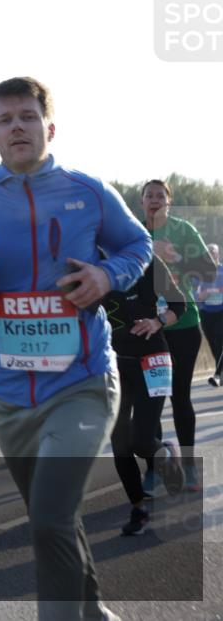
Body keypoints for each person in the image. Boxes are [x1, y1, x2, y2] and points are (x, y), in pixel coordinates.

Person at [0, 77, 150, 621]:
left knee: (47, 520)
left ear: (49, 127)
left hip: (82, 384)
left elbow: (138, 245)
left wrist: (105, 274)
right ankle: (93, 612)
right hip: (9, 398)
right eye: (5, 121)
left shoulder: (89, 190)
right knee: (57, 519)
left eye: (27, 117)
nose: (17, 127)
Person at [141, 179, 216, 491]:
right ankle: (155, 466)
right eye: (149, 195)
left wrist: (177, 259)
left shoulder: (183, 231)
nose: (155, 200)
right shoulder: (134, 233)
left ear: (169, 202)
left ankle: (188, 464)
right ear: (142, 202)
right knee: (150, 401)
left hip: (183, 326)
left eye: (161, 195)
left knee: (180, 398)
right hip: (147, 329)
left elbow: (209, 272)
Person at [104, 253, 187, 536]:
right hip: (115, 362)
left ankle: (166, 452)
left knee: (141, 441)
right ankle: (139, 510)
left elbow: (180, 304)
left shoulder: (147, 261)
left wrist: (158, 321)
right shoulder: (92, 264)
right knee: (119, 442)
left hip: (153, 357)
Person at [193, 243, 223, 387]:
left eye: (214, 252)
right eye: (208, 253)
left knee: (220, 340)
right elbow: (196, 295)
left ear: (218, 254)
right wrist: (205, 294)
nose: (211, 255)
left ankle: (219, 374)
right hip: (206, 312)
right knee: (213, 344)